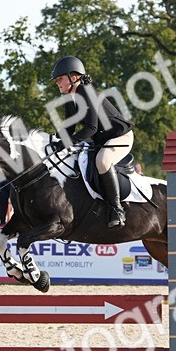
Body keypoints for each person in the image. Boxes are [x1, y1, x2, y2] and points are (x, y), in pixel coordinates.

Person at [51, 55, 134, 228]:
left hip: (120, 137)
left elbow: (91, 128)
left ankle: (117, 209)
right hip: (101, 139)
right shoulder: (70, 98)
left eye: (60, 78)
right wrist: (54, 141)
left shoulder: (87, 93)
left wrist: (67, 142)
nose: (57, 83)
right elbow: (69, 128)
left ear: (74, 77)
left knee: (102, 161)